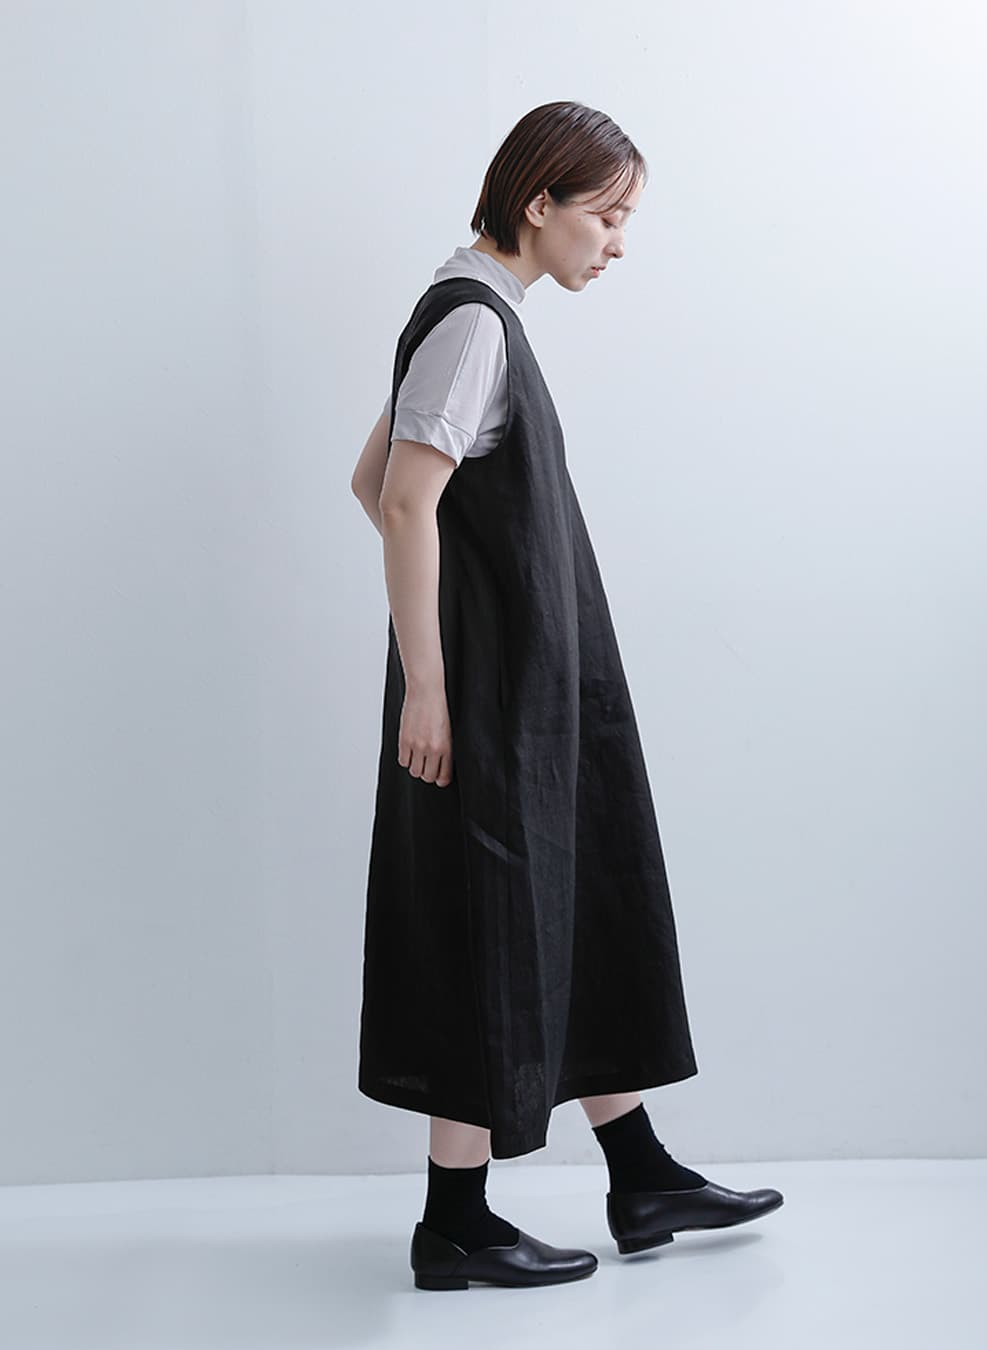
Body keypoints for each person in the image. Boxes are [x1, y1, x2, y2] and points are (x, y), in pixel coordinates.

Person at [351, 101, 783, 1292]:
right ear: (538, 203)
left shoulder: (467, 307)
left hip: (529, 685)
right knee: (486, 925)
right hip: (491, 697)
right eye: (608, 214)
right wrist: (433, 679)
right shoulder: (473, 323)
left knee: (575, 903)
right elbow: (401, 500)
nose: (619, 241)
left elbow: (370, 479)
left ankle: (640, 1173)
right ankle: (456, 1223)